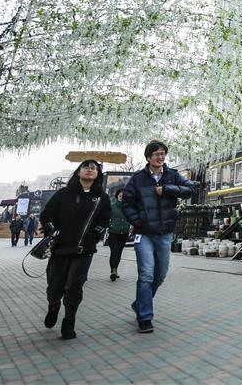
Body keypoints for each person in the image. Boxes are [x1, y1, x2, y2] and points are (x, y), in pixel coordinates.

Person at [123, 141, 194, 334]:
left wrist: (169, 189)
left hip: (164, 233)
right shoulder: (138, 179)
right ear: (148, 157)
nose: (160, 157)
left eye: (163, 154)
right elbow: (126, 203)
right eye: (156, 154)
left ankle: (139, 304)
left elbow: (191, 189)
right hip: (143, 233)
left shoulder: (172, 175)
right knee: (146, 273)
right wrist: (138, 221)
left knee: (160, 275)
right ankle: (145, 317)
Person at [39, 160, 111, 340]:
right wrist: (51, 230)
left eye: (94, 168)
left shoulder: (101, 197)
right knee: (55, 287)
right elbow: (46, 215)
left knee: (74, 287)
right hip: (60, 249)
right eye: (86, 167)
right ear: (78, 172)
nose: (90, 170)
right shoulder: (63, 194)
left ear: (98, 175)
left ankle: (69, 321)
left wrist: (95, 235)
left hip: (83, 250)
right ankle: (53, 306)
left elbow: (105, 219)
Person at [106, 187, 131, 281]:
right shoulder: (112, 206)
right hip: (113, 233)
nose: (122, 198)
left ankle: (115, 270)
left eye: (124, 196)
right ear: (117, 196)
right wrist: (110, 225)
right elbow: (106, 217)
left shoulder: (128, 208)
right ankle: (113, 270)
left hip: (124, 233)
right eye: (120, 196)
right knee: (114, 251)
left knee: (119, 252)